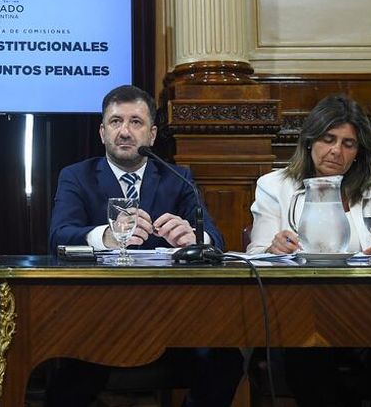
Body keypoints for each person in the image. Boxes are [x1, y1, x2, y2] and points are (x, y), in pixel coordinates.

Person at [46, 84, 242, 407]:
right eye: (115, 122)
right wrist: (106, 238)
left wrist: (195, 239)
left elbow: (215, 240)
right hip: (96, 318)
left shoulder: (176, 177)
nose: (125, 131)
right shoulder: (77, 177)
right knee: (66, 376)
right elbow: (58, 237)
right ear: (102, 132)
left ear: (151, 134)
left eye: (135, 122)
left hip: (171, 320)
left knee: (226, 360)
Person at [247, 94, 371, 406]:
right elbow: (256, 254)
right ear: (310, 141)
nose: (336, 151)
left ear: (358, 152)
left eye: (348, 143)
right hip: (302, 316)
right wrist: (273, 247)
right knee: (312, 366)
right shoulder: (274, 186)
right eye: (328, 139)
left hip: (368, 314)